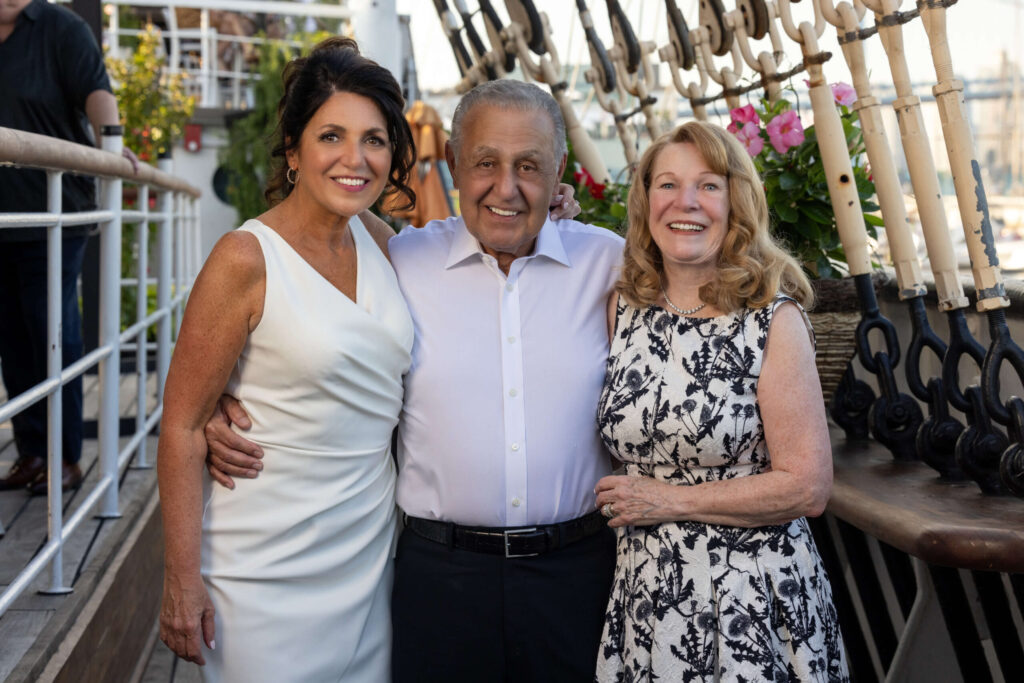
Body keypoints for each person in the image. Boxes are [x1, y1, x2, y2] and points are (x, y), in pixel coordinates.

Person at [206, 79, 622, 682]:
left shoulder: (608, 263)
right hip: (439, 583)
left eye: (529, 166)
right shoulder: (401, 259)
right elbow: (308, 310)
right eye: (485, 163)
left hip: (578, 576)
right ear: (452, 163)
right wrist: (229, 391)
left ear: (560, 172)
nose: (506, 188)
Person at [157, 38, 418, 681]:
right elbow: (183, 426)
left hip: (367, 558)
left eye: (375, 140)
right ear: (295, 151)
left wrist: (554, 209)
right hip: (262, 570)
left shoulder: (386, 245)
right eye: (332, 136)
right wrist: (180, 580)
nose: (355, 159)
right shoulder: (244, 259)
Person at [592, 121, 848, 681]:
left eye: (708, 185)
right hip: (647, 594)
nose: (686, 202)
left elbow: (807, 487)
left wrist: (670, 501)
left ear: (736, 202)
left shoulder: (772, 322)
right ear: (644, 201)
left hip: (750, 601)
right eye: (667, 185)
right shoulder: (622, 310)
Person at [0, 0, 138, 495]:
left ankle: (64, 457)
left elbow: (97, 94)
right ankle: (32, 451)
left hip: (55, 211)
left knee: (51, 326)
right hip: (3, 216)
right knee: (12, 339)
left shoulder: (60, 29)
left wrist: (109, 147)